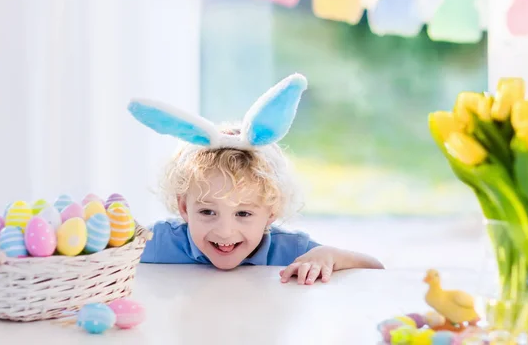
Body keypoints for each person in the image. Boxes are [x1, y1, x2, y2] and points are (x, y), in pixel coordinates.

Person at [127, 73, 384, 285]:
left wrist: (330, 255)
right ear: (184, 207)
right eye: (207, 211)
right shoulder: (158, 242)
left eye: (244, 214)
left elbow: (376, 270)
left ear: (271, 212)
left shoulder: (292, 251)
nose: (225, 231)